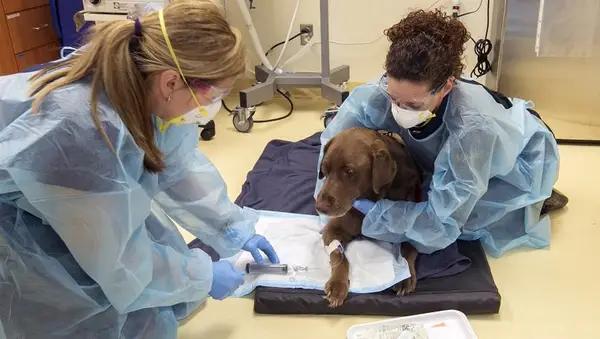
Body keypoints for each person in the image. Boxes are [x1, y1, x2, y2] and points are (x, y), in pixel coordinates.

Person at [0, 1, 279, 338]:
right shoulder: (78, 132)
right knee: (85, 310)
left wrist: (233, 228)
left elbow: (174, 168)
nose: (213, 105)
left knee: (158, 283)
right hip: (22, 216)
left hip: (72, 194)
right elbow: (119, 262)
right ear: (171, 82)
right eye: (215, 93)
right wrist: (202, 276)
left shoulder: (144, 85)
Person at [315, 9, 568, 258]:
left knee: (466, 218)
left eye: (413, 105)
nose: (400, 111)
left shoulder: (473, 128)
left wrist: (375, 214)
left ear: (446, 86)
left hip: (520, 157)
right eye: (394, 99)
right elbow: (334, 142)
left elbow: (438, 226)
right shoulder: (380, 93)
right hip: (458, 140)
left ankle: (536, 200)